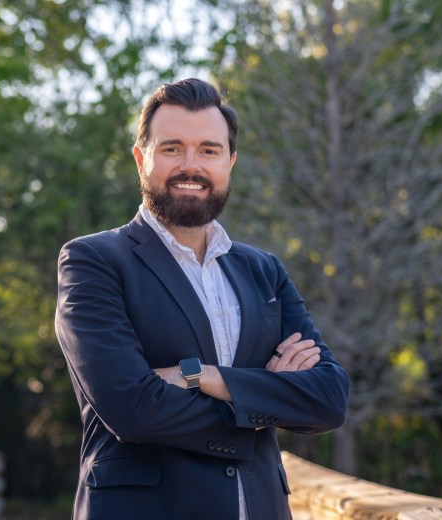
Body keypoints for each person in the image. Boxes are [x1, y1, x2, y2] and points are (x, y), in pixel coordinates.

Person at [55, 78, 350, 519]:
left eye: (209, 150)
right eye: (172, 148)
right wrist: (265, 401)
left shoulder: (263, 271)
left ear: (229, 162)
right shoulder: (93, 261)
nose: (191, 166)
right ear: (142, 159)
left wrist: (204, 377)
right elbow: (131, 408)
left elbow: (328, 398)